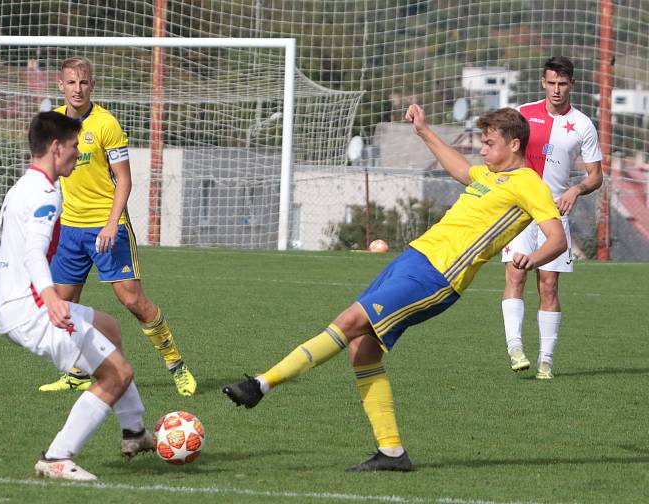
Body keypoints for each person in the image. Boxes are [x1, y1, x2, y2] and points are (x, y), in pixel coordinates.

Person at [223, 105, 567, 472]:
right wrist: (423, 130)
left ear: (514, 144)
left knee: (351, 319)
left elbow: (556, 238)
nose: (482, 150)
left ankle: (261, 384)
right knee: (362, 351)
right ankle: (391, 453)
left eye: (489, 143)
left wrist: (532, 257)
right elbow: (461, 169)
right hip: (412, 259)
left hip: (439, 276)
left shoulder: (530, 184)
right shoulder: (489, 175)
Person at [0, 111, 152, 481]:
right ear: (55, 147)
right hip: (33, 311)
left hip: (13, 305)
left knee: (109, 328)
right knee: (117, 375)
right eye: (72, 147)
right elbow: (34, 252)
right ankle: (56, 456)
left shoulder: (21, 187)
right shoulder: (47, 193)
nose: (76, 155)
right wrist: (51, 299)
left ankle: (135, 431)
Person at [38, 57, 197, 397]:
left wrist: (111, 225)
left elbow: (124, 181)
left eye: (83, 83)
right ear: (60, 85)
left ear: (91, 85)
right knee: (63, 307)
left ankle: (176, 364)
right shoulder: (53, 125)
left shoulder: (106, 123)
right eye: (71, 83)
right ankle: (79, 371)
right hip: (71, 230)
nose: (77, 89)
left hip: (107, 228)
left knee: (133, 300)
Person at [502, 56, 602, 379]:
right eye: (551, 83)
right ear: (542, 83)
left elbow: (596, 175)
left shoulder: (583, 125)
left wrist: (575, 190)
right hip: (519, 212)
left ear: (572, 84)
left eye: (562, 84)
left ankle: (546, 360)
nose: (556, 90)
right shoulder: (524, 115)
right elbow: (504, 154)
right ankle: (515, 348)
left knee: (549, 285)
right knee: (515, 276)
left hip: (554, 216)